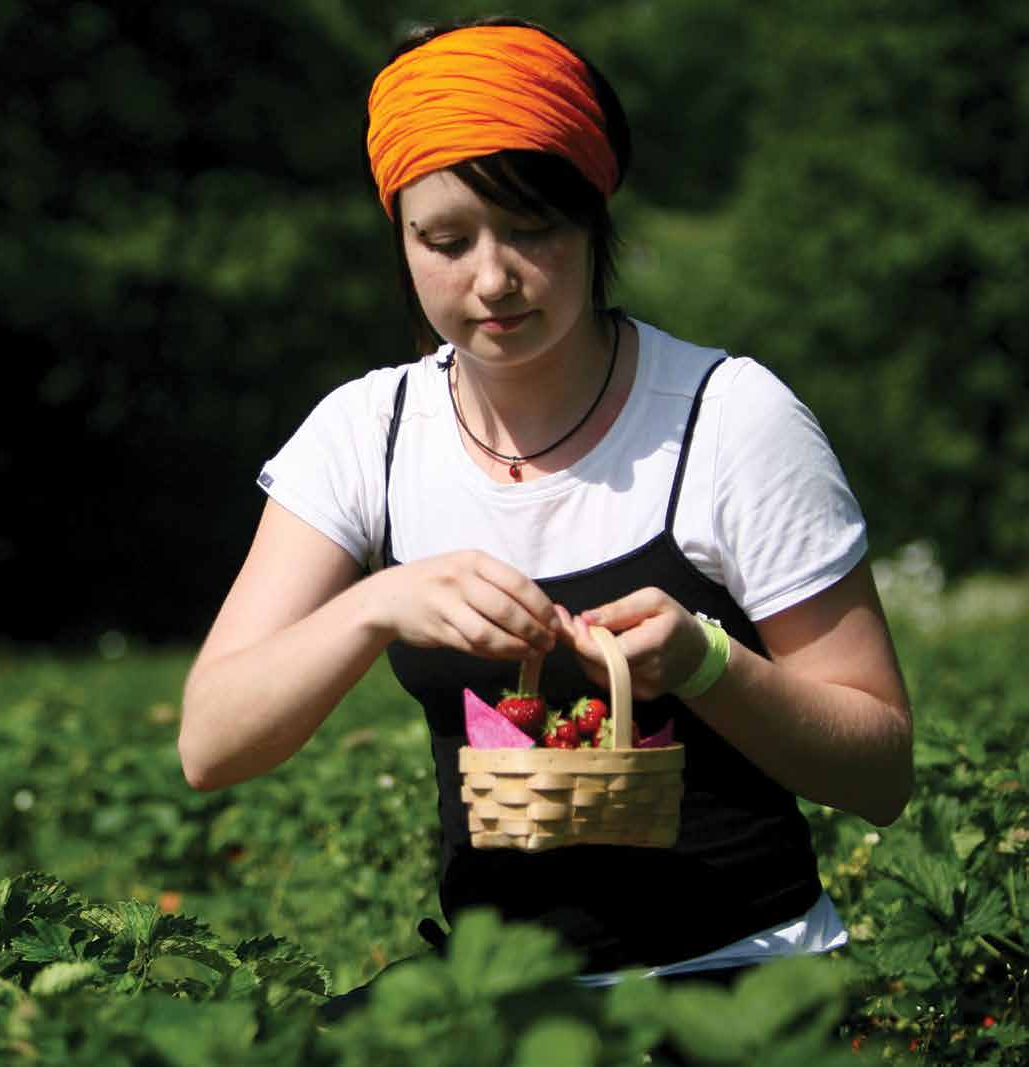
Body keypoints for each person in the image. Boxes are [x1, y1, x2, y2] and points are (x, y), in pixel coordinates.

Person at [177, 15, 913, 1014]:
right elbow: (212, 741)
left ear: (593, 219)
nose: (491, 277)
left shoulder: (727, 418)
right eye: (444, 241)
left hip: (736, 979)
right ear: (398, 238)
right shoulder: (367, 431)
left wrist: (707, 664)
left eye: (531, 228)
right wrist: (373, 604)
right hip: (495, 987)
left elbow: (878, 766)